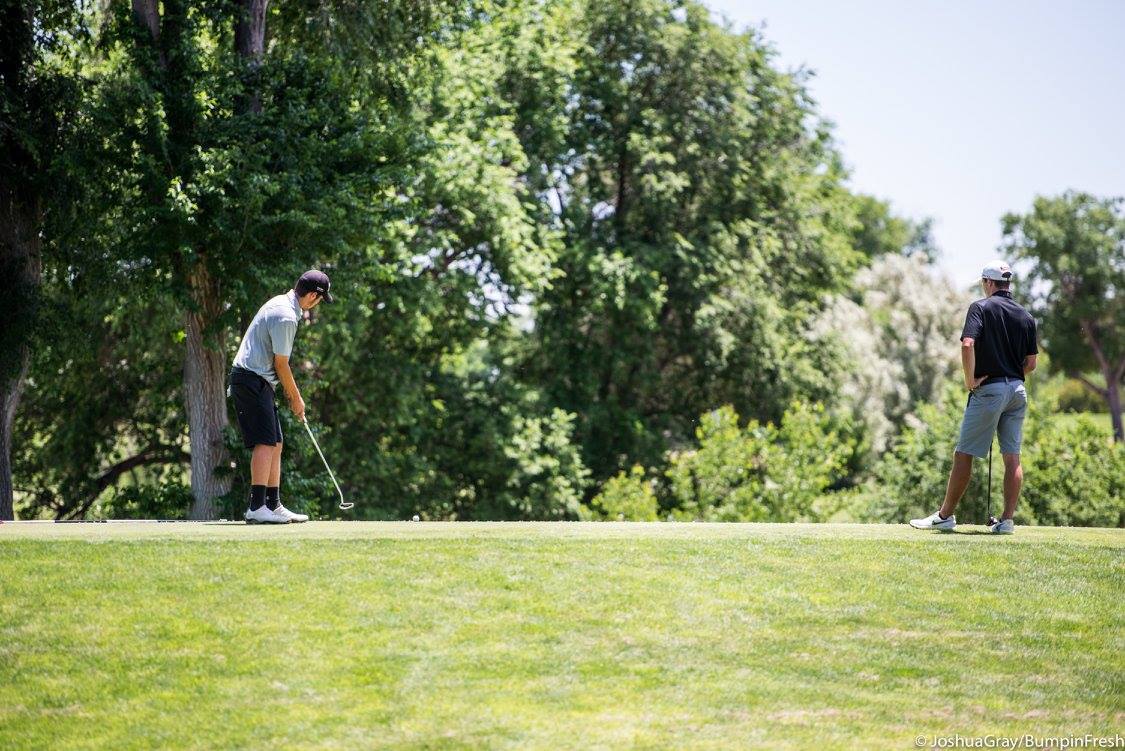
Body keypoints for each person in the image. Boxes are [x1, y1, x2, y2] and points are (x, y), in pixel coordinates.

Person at [910, 260, 1038, 534]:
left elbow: (968, 344)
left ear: (989, 283)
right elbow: (1031, 364)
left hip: (990, 390)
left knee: (963, 454)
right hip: (1017, 391)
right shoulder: (1026, 316)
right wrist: (1010, 372)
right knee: (1012, 458)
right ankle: (1006, 521)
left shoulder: (980, 307)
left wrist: (970, 380)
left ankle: (945, 516)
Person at [229, 270, 333, 524]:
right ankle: (256, 507)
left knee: (275, 442)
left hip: (257, 380)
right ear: (312, 296)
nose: (317, 304)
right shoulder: (286, 316)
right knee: (265, 442)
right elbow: (281, 364)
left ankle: (273, 505)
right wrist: (296, 398)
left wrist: (289, 393)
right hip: (250, 379)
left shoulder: (282, 304)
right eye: (320, 299)